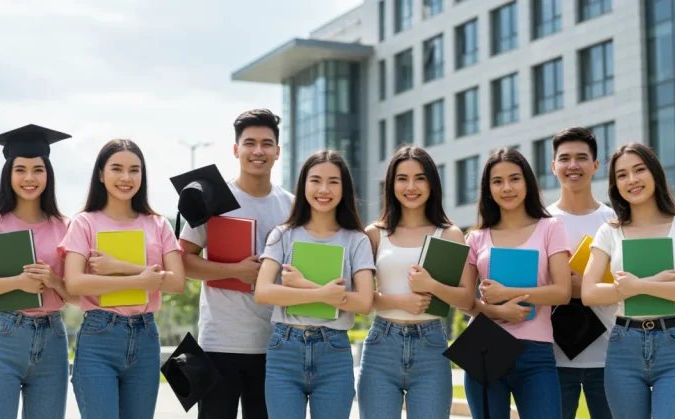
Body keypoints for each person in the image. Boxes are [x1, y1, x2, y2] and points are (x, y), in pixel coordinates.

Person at [178, 109, 293, 419]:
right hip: (219, 344)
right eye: (250, 143)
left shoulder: (292, 206)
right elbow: (182, 261)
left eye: (267, 144)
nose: (258, 151)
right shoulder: (211, 199)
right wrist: (235, 271)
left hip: (274, 346)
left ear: (278, 152)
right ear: (236, 149)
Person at [58, 138, 186, 419]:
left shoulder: (157, 224)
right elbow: (75, 283)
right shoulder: (84, 222)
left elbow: (177, 282)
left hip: (146, 336)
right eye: (117, 169)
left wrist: (123, 268)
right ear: (101, 175)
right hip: (99, 337)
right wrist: (141, 279)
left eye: (134, 170)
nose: (126, 178)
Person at [0, 124, 78, 419]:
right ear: (8, 175)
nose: (29, 178)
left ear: (48, 174)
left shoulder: (65, 226)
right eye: (20, 169)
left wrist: (54, 280)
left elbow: (77, 296)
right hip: (4, 336)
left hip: (52, 339)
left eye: (38, 169)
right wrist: (19, 282)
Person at [582, 142, 675, 419]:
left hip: (673, 345)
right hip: (623, 345)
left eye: (639, 170)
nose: (632, 180)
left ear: (654, 173)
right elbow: (589, 292)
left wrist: (639, 285)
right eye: (622, 175)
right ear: (615, 185)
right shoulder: (610, 232)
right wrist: (653, 282)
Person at [254, 149, 376, 419]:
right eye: (316, 180)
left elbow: (365, 303)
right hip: (284, 349)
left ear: (344, 188)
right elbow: (263, 292)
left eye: (333, 181)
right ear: (303, 185)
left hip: (333, 351)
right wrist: (324, 293)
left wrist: (302, 285)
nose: (324, 189)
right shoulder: (282, 235)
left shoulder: (357, 240)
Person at [356, 145, 475, 419]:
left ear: (432, 183)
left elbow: (467, 299)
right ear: (391, 184)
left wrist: (432, 286)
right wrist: (402, 301)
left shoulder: (449, 234)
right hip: (381, 346)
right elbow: (358, 299)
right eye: (402, 178)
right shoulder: (374, 234)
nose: (411, 186)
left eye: (420, 177)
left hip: (431, 346)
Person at [459, 147, 571, 418]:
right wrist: (498, 310)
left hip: (536, 352)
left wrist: (506, 293)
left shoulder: (550, 227)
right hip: (484, 345)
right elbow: (465, 302)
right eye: (497, 181)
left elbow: (562, 292)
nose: (506, 187)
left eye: (514, 178)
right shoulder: (476, 238)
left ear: (528, 183)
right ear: (488, 189)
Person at [546, 127, 615, 419]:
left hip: (610, 357)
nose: (572, 165)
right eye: (564, 159)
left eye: (581, 158)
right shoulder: (542, 222)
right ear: (553, 167)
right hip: (552, 359)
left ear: (596, 166)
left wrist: (584, 286)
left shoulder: (615, 222)